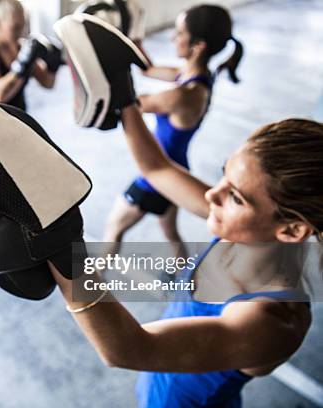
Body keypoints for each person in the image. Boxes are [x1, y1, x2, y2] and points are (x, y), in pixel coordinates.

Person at [48, 46, 322, 405]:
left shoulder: (271, 322)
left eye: (236, 196)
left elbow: (128, 348)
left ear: (291, 230)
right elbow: (158, 169)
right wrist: (124, 97)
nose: (212, 195)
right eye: (224, 176)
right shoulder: (243, 231)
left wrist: (53, 241)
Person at [104, 5, 243, 248]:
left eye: (179, 33)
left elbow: (130, 104)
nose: (172, 37)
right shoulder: (194, 76)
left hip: (158, 174)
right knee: (171, 235)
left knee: (113, 228)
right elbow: (147, 69)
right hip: (177, 168)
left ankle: (91, 285)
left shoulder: (184, 95)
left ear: (198, 46)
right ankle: (184, 277)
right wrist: (134, 28)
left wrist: (109, 66)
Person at [0, 0, 62, 112]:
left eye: (23, 26)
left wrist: (52, 65)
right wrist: (21, 66)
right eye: (15, 28)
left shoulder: (20, 47)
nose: (21, 32)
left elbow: (48, 83)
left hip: (20, 118)